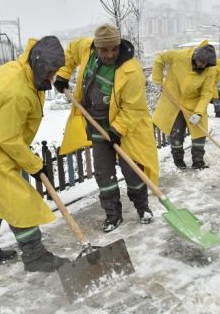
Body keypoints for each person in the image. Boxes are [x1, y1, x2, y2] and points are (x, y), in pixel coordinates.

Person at [0, 36, 70, 272]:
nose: (53, 77)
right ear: (38, 65)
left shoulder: (27, 75)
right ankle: (35, 256)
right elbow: (8, 138)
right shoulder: (16, 89)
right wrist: (35, 166)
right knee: (17, 199)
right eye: (50, 72)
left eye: (55, 72)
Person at [53, 24, 159, 233]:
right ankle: (113, 215)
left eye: (114, 49)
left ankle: (142, 208)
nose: (110, 54)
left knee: (132, 171)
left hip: (126, 130)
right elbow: (71, 51)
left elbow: (134, 108)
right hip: (96, 125)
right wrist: (64, 73)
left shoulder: (131, 70)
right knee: (104, 174)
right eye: (104, 50)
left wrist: (117, 130)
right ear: (96, 47)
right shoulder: (86, 49)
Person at [151, 41, 217, 169]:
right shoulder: (179, 56)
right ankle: (178, 160)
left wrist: (198, 112)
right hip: (173, 100)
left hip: (194, 103)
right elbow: (159, 59)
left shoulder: (209, 70)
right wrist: (157, 80)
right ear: (196, 56)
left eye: (206, 64)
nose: (202, 66)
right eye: (201, 62)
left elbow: (206, 93)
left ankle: (198, 161)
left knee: (199, 133)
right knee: (176, 132)